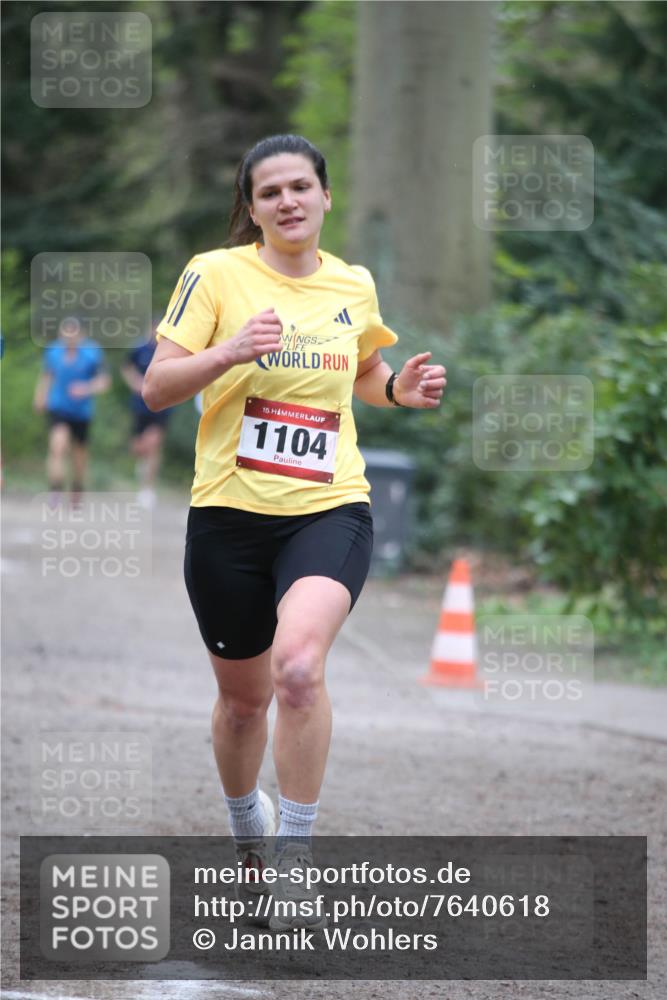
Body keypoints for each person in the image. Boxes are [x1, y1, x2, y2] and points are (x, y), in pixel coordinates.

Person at [142, 134, 446, 928]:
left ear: (324, 196)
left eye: (300, 186)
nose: (287, 201)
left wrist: (400, 390)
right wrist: (229, 351)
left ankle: (295, 861)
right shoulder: (215, 274)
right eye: (269, 191)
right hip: (228, 517)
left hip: (328, 508)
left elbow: (365, 372)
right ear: (251, 208)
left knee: (300, 670)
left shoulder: (352, 283)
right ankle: (249, 830)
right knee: (242, 705)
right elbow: (157, 387)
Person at [33, 316, 110, 503]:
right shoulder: (53, 351)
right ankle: (55, 489)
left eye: (73, 332)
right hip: (58, 407)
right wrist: (40, 396)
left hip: (82, 412)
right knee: (57, 446)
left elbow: (104, 382)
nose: (69, 336)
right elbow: (47, 375)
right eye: (65, 332)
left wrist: (86, 388)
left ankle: (77, 486)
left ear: (81, 334)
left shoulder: (92, 353)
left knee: (79, 456)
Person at [121, 322, 172, 509]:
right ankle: (142, 466)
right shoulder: (139, 349)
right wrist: (135, 382)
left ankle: (147, 489)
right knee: (138, 448)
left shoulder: (170, 351)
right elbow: (126, 367)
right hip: (140, 406)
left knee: (154, 445)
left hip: (162, 406)